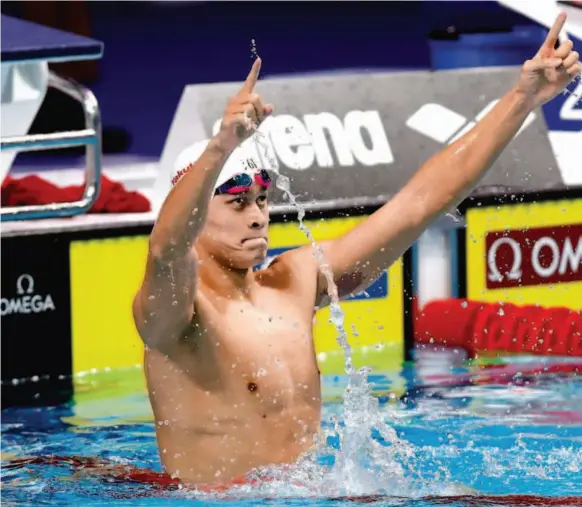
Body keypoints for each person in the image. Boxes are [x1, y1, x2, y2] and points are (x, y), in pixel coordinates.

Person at [133, 13, 580, 488]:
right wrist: (221, 147)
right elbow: (166, 248)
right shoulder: (176, 316)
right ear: (197, 210)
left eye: (263, 198)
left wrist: (523, 98)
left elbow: (419, 204)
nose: (258, 214)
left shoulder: (294, 281)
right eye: (237, 201)